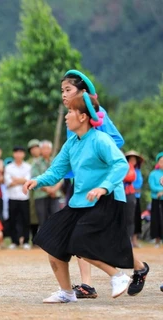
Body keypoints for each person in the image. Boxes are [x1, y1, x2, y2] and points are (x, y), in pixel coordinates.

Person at [23, 92, 135, 303]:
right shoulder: (72, 143)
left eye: (71, 111)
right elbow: (56, 171)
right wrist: (37, 180)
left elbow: (121, 164)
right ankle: (66, 292)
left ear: (83, 116)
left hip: (104, 202)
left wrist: (103, 187)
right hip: (80, 202)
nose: (66, 116)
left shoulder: (101, 139)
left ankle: (118, 276)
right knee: (51, 239)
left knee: (79, 241)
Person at [61, 69, 125, 299]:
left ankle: (136, 268)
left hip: (98, 185)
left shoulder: (97, 114)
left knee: (103, 236)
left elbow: (117, 141)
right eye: (62, 91)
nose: (64, 95)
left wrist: (93, 141)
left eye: (68, 90)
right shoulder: (71, 115)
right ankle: (87, 285)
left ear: (84, 93)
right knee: (79, 234)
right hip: (78, 183)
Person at [4, 146, 32, 250]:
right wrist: (21, 180)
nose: (18, 155)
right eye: (16, 152)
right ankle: (14, 241)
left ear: (24, 154)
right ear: (13, 154)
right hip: (12, 197)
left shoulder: (28, 167)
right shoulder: (9, 167)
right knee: (13, 220)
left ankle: (25, 241)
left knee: (25, 220)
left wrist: (16, 180)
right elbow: (8, 182)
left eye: (21, 152)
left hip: (24, 197)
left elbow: (28, 181)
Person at [31, 140, 62, 228]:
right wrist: (48, 190)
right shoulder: (36, 163)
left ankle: (55, 240)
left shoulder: (57, 161)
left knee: (55, 218)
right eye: (43, 148)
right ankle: (44, 241)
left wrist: (54, 190)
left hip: (55, 194)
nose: (46, 150)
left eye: (48, 148)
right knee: (42, 220)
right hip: (41, 194)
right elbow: (35, 178)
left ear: (51, 150)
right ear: (40, 150)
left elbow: (62, 177)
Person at [125, 150, 144, 248]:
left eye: (134, 159)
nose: (133, 161)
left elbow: (139, 183)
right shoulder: (124, 167)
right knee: (126, 217)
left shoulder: (138, 171)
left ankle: (133, 240)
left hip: (134, 196)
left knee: (134, 218)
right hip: (125, 195)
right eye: (131, 159)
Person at [149, 152, 163, 247]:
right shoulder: (153, 174)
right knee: (156, 218)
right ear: (158, 162)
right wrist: (161, 190)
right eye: (161, 161)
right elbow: (152, 186)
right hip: (156, 199)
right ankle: (157, 239)